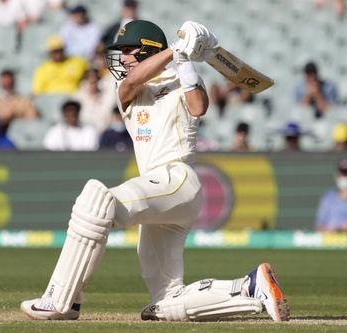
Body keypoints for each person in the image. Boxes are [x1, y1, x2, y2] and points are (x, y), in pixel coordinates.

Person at [21, 20, 289, 323]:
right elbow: (132, 82)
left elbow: (199, 106)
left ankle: (61, 300)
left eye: (127, 50)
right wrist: (176, 51)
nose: (121, 58)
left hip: (177, 179)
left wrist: (185, 59)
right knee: (164, 303)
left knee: (95, 200)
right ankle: (251, 289)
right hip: (160, 191)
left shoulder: (180, 77)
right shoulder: (127, 90)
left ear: (148, 49)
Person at [0, 69, 37, 134]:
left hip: (18, 134)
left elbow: (32, 117)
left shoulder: (23, 101)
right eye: (4, 83)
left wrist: (14, 116)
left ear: (14, 82)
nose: (7, 85)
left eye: (9, 83)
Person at [74, 68, 115, 134]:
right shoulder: (78, 96)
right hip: (83, 131)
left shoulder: (107, 96)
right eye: (90, 80)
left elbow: (107, 116)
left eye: (96, 80)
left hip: (103, 130)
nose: (93, 83)